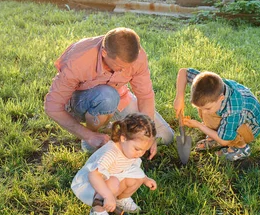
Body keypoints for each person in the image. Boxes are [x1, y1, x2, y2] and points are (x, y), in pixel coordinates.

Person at [44, 27, 174, 157]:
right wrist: (89, 136)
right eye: (120, 66)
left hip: (119, 96)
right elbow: (52, 107)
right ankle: (91, 137)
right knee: (107, 96)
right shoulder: (78, 60)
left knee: (165, 136)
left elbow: (145, 96)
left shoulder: (137, 56)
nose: (126, 70)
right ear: (104, 53)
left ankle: (112, 129)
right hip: (81, 101)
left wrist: (147, 132)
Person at [71, 113, 158, 215]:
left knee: (137, 177)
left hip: (113, 176)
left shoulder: (130, 151)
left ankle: (121, 200)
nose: (140, 153)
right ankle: (97, 212)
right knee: (113, 182)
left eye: (144, 150)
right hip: (91, 185)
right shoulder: (111, 153)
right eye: (138, 149)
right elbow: (93, 175)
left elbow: (131, 168)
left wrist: (145, 179)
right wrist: (107, 195)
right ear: (123, 138)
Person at [173, 68, 260, 161]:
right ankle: (216, 135)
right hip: (229, 114)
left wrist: (199, 125)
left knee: (223, 130)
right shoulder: (206, 85)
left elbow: (225, 141)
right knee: (207, 111)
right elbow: (183, 72)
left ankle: (241, 148)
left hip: (249, 127)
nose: (203, 112)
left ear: (221, 98)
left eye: (207, 108)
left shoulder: (232, 110)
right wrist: (179, 98)